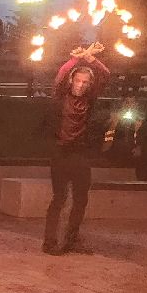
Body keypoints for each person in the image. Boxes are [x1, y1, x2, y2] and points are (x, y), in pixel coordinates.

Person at [43, 42, 109, 255]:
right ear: (72, 81)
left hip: (80, 154)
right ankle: (49, 242)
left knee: (81, 198)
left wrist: (91, 59)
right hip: (61, 153)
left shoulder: (90, 100)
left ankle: (71, 239)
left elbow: (105, 75)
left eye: (85, 82)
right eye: (78, 81)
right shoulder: (61, 97)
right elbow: (61, 75)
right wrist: (74, 59)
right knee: (59, 197)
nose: (80, 85)